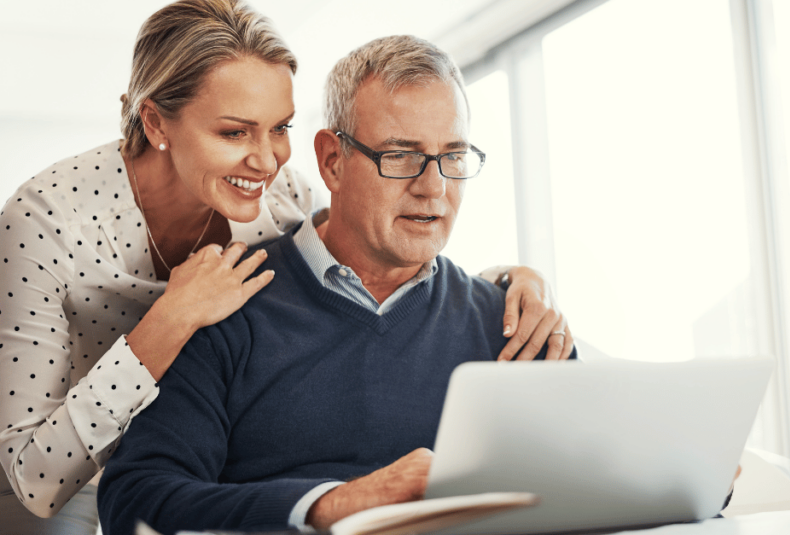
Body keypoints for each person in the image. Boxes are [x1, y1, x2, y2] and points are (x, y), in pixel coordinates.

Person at [0, 2, 571, 534]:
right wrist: (170, 321)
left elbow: (370, 236)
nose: (268, 158)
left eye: (280, 128)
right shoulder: (48, 222)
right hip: (49, 472)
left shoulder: (276, 197)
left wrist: (509, 282)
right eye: (234, 131)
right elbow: (45, 480)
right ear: (156, 124)